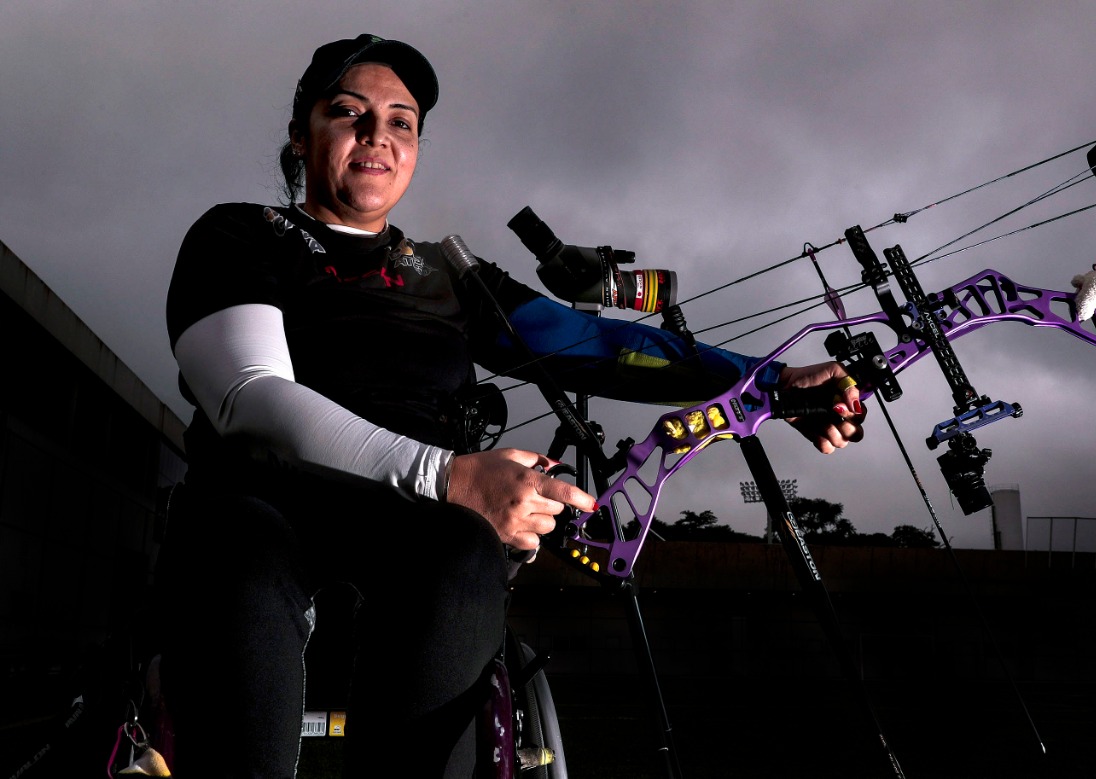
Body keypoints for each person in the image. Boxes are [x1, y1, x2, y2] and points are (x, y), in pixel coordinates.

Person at [157, 33, 866, 779]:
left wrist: (774, 384)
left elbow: (600, 345)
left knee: (464, 552)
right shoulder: (240, 235)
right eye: (348, 112)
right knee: (236, 545)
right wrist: (448, 476)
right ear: (302, 135)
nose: (378, 136)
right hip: (267, 506)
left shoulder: (447, 275)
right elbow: (249, 397)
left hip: (412, 527)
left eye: (402, 122)